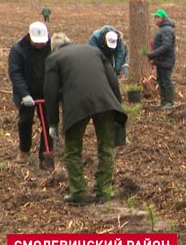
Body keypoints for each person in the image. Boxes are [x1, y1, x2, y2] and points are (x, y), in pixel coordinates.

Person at [43, 33, 127, 205]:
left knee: (73, 150)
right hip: (105, 102)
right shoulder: (94, 51)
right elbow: (113, 80)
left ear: (54, 48)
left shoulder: (53, 58)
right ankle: (103, 191)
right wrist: (117, 106)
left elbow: (50, 92)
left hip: (76, 106)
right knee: (106, 148)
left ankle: (79, 192)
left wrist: (53, 122)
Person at [7, 21, 53, 169]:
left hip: (46, 91)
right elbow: (15, 73)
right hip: (26, 92)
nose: (40, 45)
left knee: (49, 123)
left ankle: (45, 153)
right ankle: (24, 150)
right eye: (37, 42)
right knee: (25, 121)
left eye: (42, 42)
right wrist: (24, 94)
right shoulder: (19, 49)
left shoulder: (51, 47)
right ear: (30, 37)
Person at [148, 9, 176, 109]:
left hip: (166, 60)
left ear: (162, 18)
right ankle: (163, 102)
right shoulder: (162, 29)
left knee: (167, 81)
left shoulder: (167, 29)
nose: (154, 19)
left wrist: (152, 54)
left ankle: (170, 102)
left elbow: (166, 46)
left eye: (156, 17)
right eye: (154, 17)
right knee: (161, 81)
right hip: (161, 60)